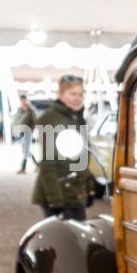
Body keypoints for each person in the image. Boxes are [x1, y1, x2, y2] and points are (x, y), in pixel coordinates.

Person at [31, 75, 90, 220]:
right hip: (60, 193)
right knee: (63, 239)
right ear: (61, 95)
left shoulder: (75, 117)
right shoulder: (51, 119)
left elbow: (83, 156)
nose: (78, 98)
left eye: (80, 94)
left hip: (73, 191)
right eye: (73, 94)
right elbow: (48, 163)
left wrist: (89, 189)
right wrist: (55, 201)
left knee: (78, 237)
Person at [13, 94, 37, 173]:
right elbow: (16, 121)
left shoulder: (30, 110)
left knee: (25, 151)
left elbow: (34, 121)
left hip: (27, 132)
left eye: (24, 100)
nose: (23, 102)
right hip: (20, 133)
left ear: (26, 100)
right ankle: (37, 165)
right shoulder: (19, 109)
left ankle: (23, 168)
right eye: (21, 100)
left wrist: (31, 130)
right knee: (25, 151)